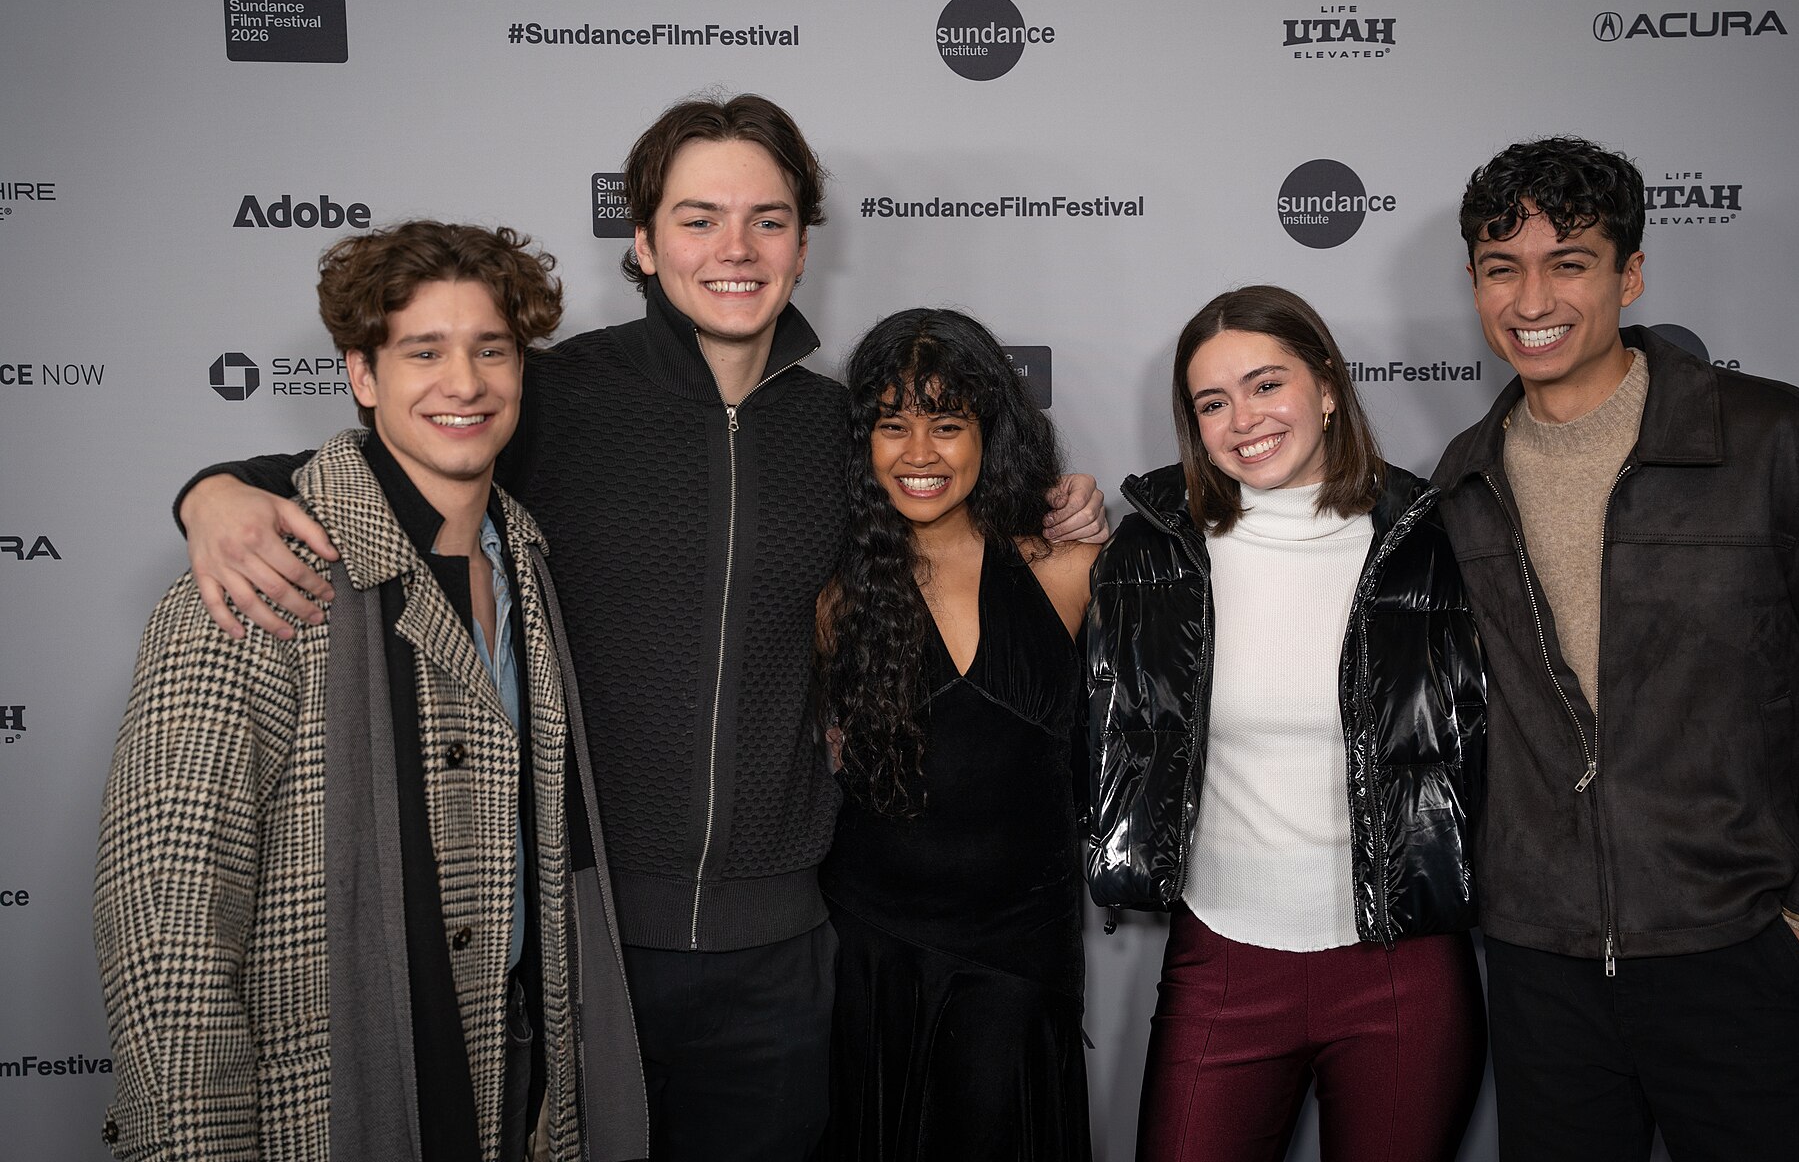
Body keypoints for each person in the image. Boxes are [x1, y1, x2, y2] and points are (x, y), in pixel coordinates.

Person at [167, 94, 1106, 1159]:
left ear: (802, 245)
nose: (736, 248)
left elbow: (947, 498)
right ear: (647, 244)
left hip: (785, 955)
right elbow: (383, 463)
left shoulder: (841, 428)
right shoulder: (547, 394)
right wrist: (217, 488)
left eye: (767, 219)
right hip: (579, 946)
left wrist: (1054, 505)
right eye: (700, 219)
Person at [93, 221, 647, 1162]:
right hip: (326, 1105)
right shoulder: (259, 580)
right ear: (362, 375)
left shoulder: (527, 562)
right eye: (424, 352)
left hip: (517, 1077)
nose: (464, 383)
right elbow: (170, 936)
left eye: (491, 350)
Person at [1433, 136, 1799, 1161]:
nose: (1532, 298)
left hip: (1737, 946)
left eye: (1569, 262)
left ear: (1631, 275)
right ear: (1474, 282)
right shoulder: (1463, 480)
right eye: (1501, 267)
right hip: (1541, 967)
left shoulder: (1770, 438)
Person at [1086, 286, 1487, 1161]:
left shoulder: (1432, 543)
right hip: (1223, 959)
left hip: (1403, 968)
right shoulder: (1148, 552)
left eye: (1267, 385)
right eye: (1212, 402)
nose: (1244, 420)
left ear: (1329, 387)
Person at [815, 308, 1100, 1160]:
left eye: (947, 424)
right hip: (873, 947)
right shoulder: (836, 594)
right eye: (892, 426)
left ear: (988, 433)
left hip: (1019, 951)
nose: (920, 453)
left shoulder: (1069, 567)